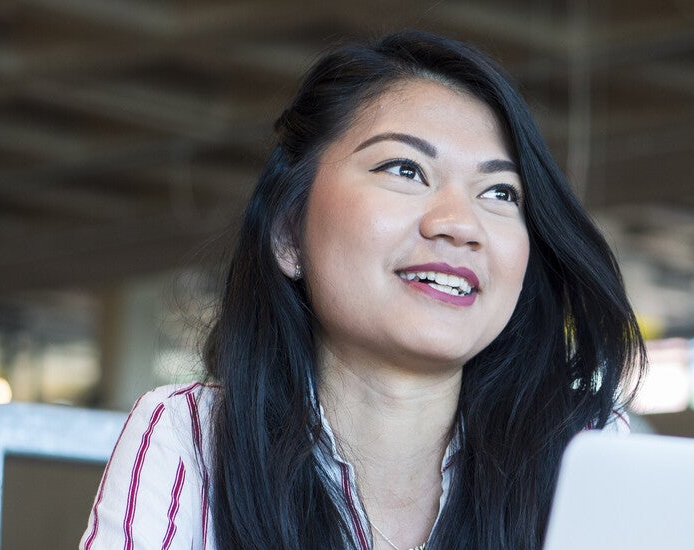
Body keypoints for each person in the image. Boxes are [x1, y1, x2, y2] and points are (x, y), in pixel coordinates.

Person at [80, 30, 642, 550]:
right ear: (289, 234)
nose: (460, 224)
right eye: (404, 169)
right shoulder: (193, 439)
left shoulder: (589, 452)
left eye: (499, 193)